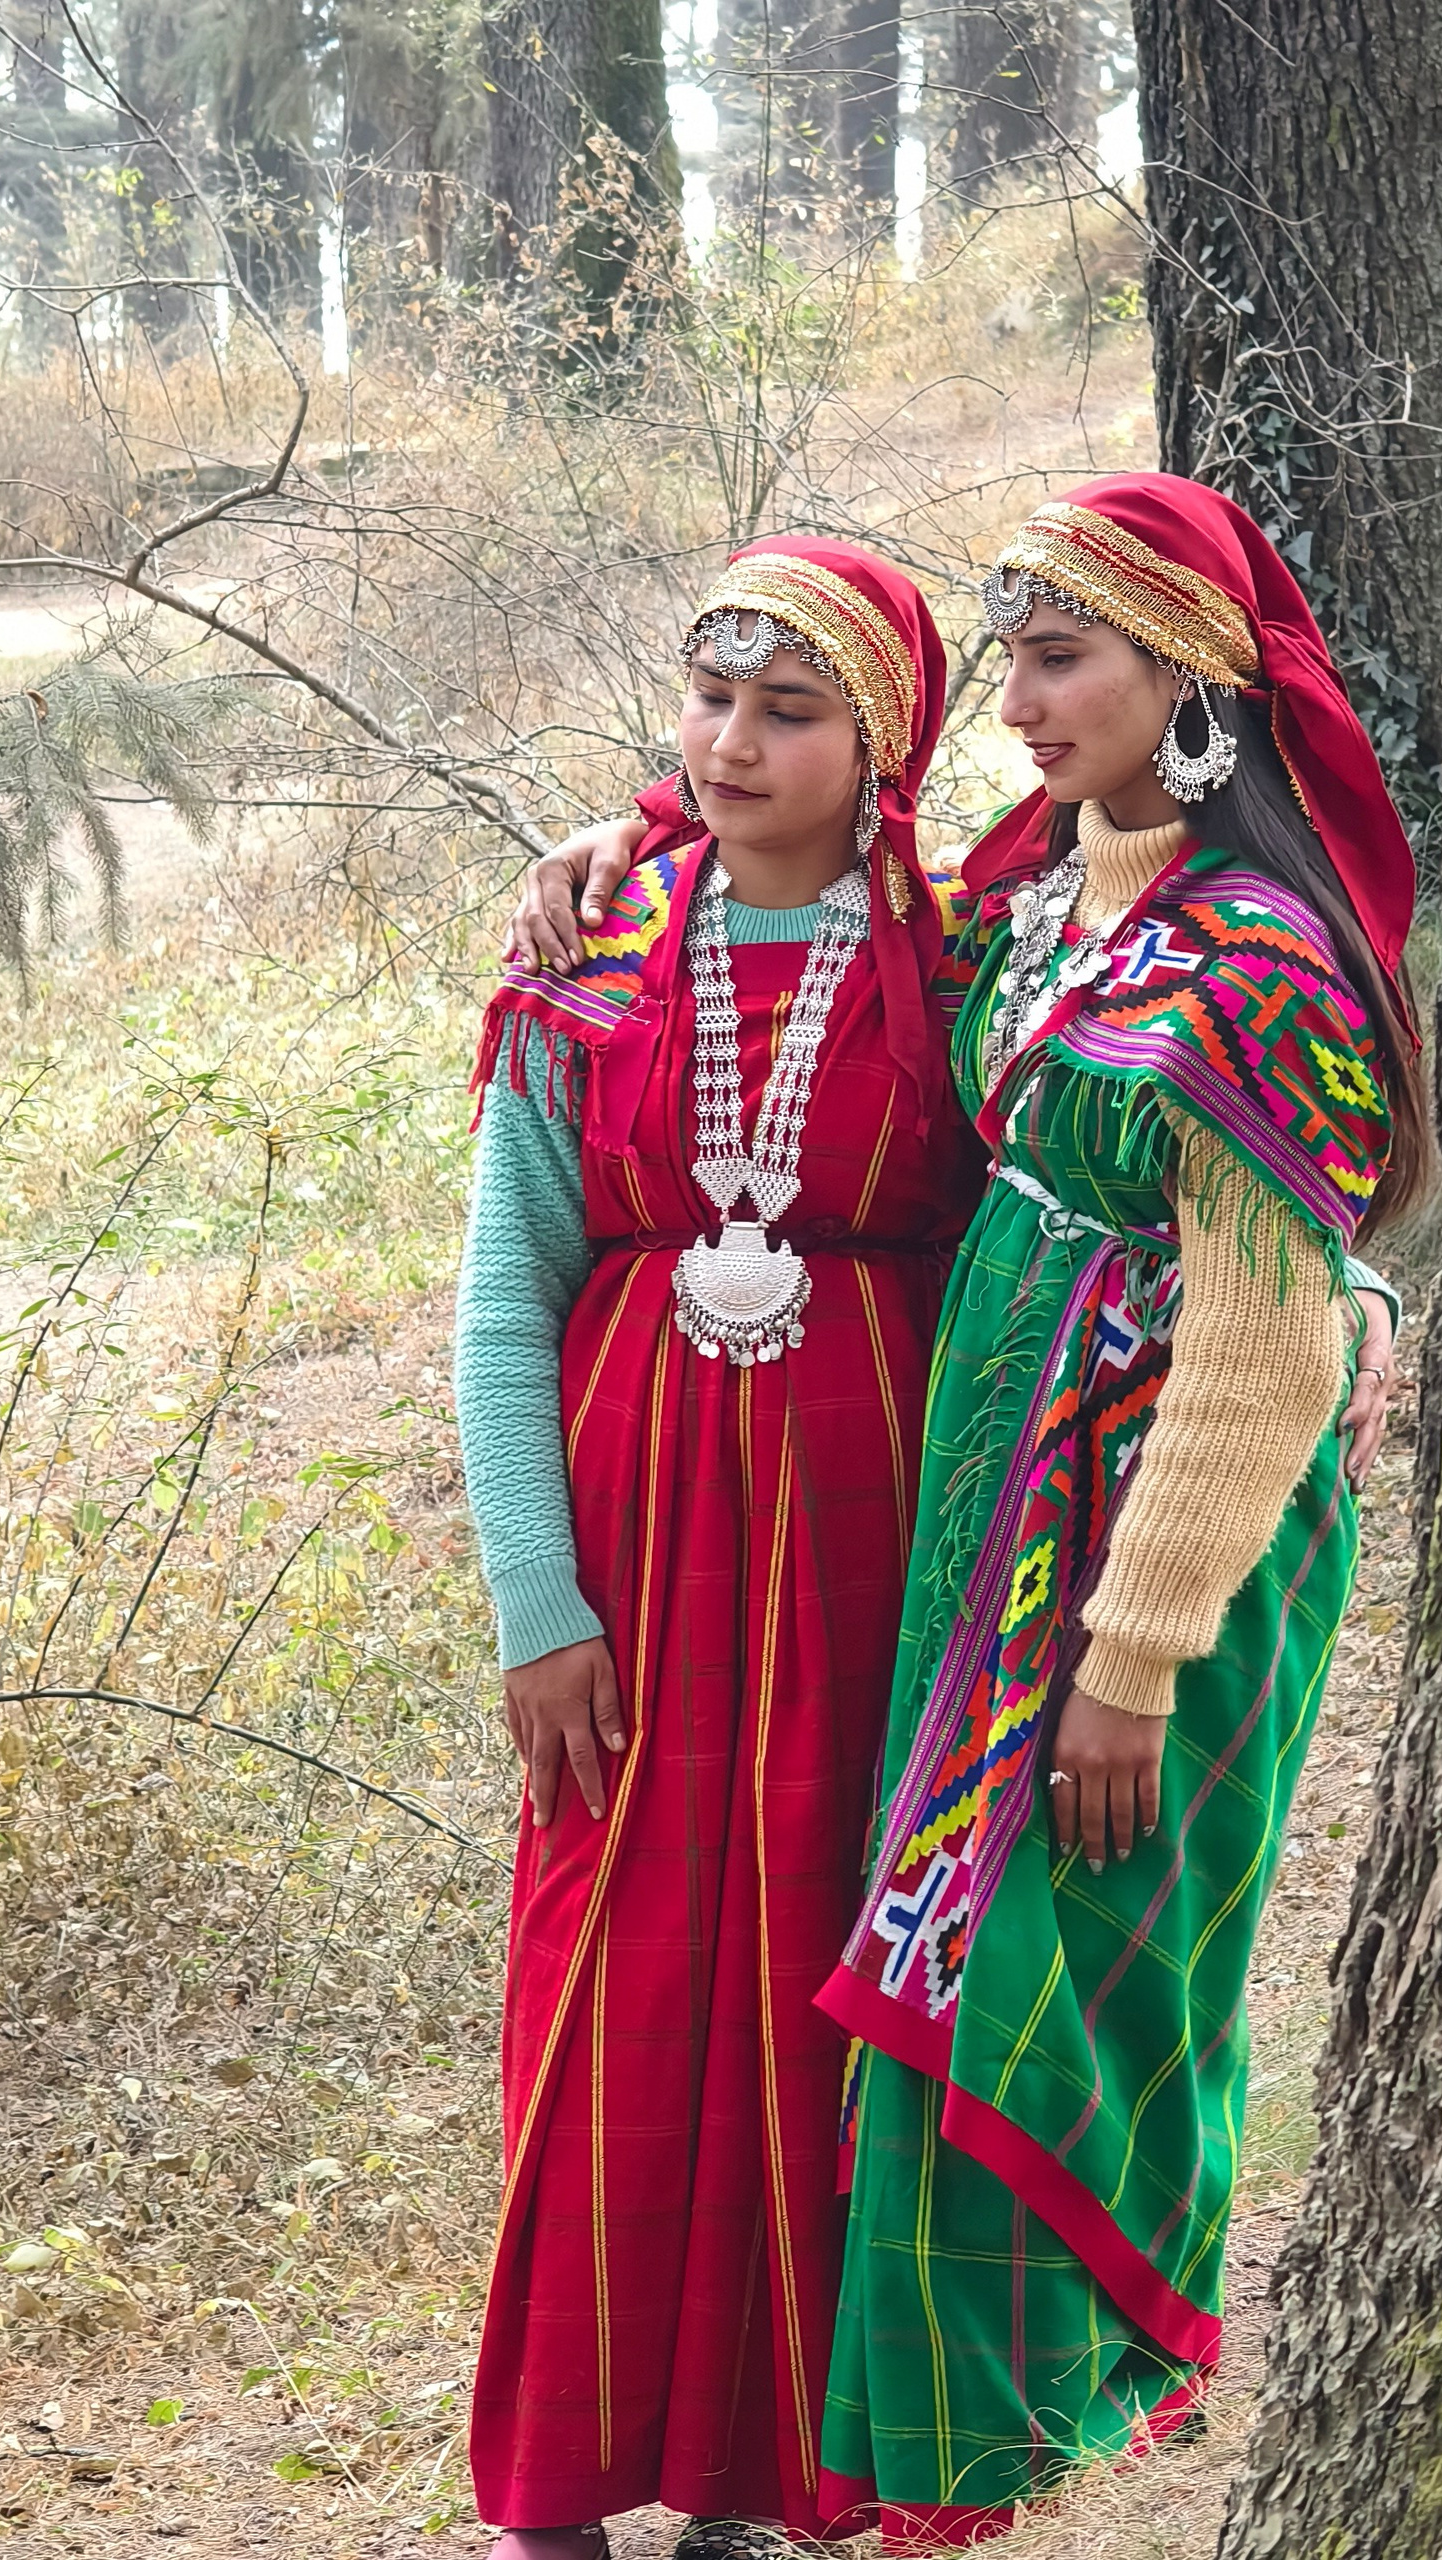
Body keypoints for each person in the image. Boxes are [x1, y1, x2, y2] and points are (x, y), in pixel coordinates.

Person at [793, 473, 1430, 2542]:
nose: (1015, 705)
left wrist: (1131, 1653)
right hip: (996, 1502)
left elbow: (1260, 1348)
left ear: (1196, 679)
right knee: (949, 1924)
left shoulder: (1264, 963)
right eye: (1007, 661)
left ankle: (1077, 2371)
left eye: (1058, 662)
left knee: (1078, 1948)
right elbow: (783, 882)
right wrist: (586, 859)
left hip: (1172, 1534)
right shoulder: (1043, 900)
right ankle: (946, 2432)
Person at [455, 542, 988, 2559]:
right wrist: (536, 1602)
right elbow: (506, 1294)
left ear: (884, 742)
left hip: (862, 1572)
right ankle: (562, 2479)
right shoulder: (580, 963)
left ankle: (766, 2479)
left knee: (801, 1978)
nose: (730, 740)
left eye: (787, 708)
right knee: (601, 1975)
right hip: (629, 1566)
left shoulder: (967, 964)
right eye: (708, 697)